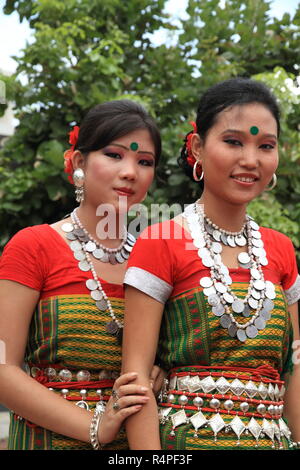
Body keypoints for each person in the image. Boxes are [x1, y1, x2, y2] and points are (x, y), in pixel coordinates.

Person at [122, 78, 300, 450]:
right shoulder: (160, 242)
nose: (250, 160)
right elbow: (135, 380)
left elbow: (295, 371)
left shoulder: (281, 250)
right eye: (233, 141)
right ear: (198, 147)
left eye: (265, 146)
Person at [0, 99, 163, 450]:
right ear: (78, 163)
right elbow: (2, 367)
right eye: (114, 154)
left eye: (144, 161)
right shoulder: (33, 247)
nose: (131, 171)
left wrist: (161, 373)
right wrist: (95, 426)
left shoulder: (159, 259)